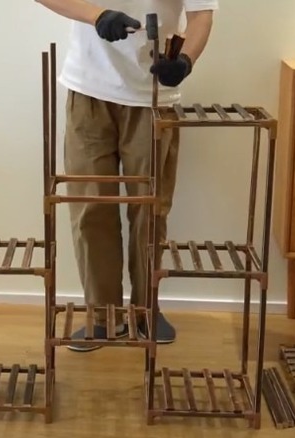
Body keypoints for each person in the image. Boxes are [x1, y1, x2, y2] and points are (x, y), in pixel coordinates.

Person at [35, 0, 218, 352]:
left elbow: (201, 15)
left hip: (154, 96)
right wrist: (97, 16)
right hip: (89, 88)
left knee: (150, 211)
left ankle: (145, 310)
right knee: (90, 208)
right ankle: (103, 317)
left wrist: (185, 61)